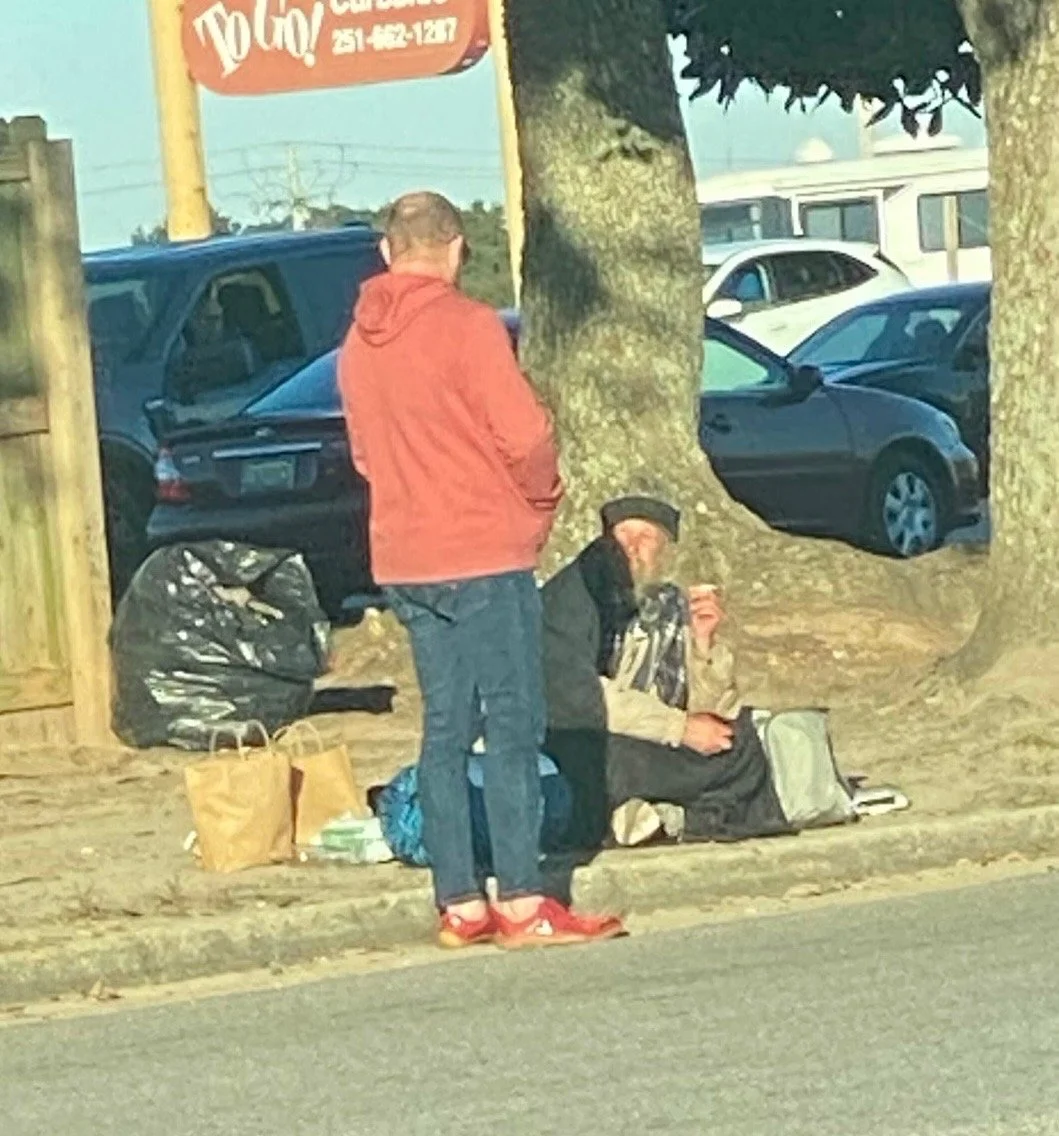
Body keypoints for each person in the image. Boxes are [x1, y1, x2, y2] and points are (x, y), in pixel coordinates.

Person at [338, 191, 624, 950]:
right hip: (481, 552)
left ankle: (458, 901)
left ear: (387, 251)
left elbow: (365, 455)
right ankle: (525, 899)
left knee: (443, 727)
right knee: (511, 725)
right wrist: (539, 500)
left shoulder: (357, 346)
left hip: (404, 553)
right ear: (457, 248)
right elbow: (526, 434)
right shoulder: (467, 327)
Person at [540, 495, 793, 850]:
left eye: (645, 539)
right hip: (583, 734)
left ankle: (661, 815)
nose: (631, 548)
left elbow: (709, 712)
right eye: (622, 536)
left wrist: (703, 645)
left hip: (653, 735)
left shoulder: (669, 606)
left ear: (665, 552)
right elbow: (582, 698)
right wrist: (679, 728)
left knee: (741, 741)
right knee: (605, 759)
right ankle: (660, 814)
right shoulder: (574, 600)